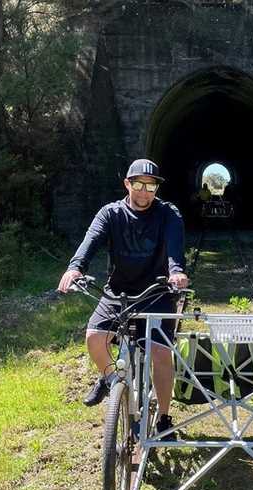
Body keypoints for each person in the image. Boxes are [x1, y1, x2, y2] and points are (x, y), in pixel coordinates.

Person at [57, 159, 189, 437]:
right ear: (127, 184)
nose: (144, 192)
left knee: (162, 354)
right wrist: (75, 267)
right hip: (118, 292)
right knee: (94, 336)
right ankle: (111, 379)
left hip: (157, 292)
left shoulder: (168, 214)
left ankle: (164, 417)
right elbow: (90, 241)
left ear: (156, 188)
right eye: (138, 184)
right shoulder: (111, 213)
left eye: (150, 186)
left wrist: (176, 272)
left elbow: (175, 248)